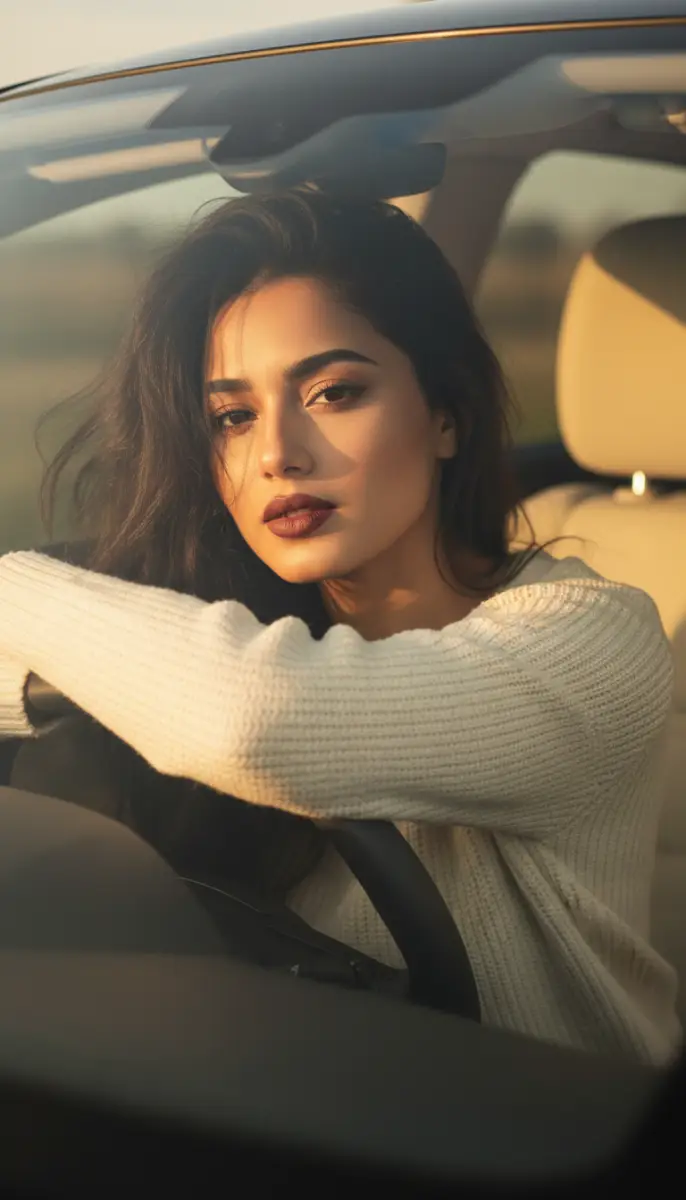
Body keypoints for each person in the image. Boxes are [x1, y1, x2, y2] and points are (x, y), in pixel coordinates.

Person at [0, 187, 679, 1063]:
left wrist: (14, 583)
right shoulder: (221, 621)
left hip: (563, 1128)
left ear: (446, 415)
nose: (277, 454)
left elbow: (257, 718)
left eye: (332, 392)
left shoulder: (596, 637)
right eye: (232, 417)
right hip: (298, 1103)